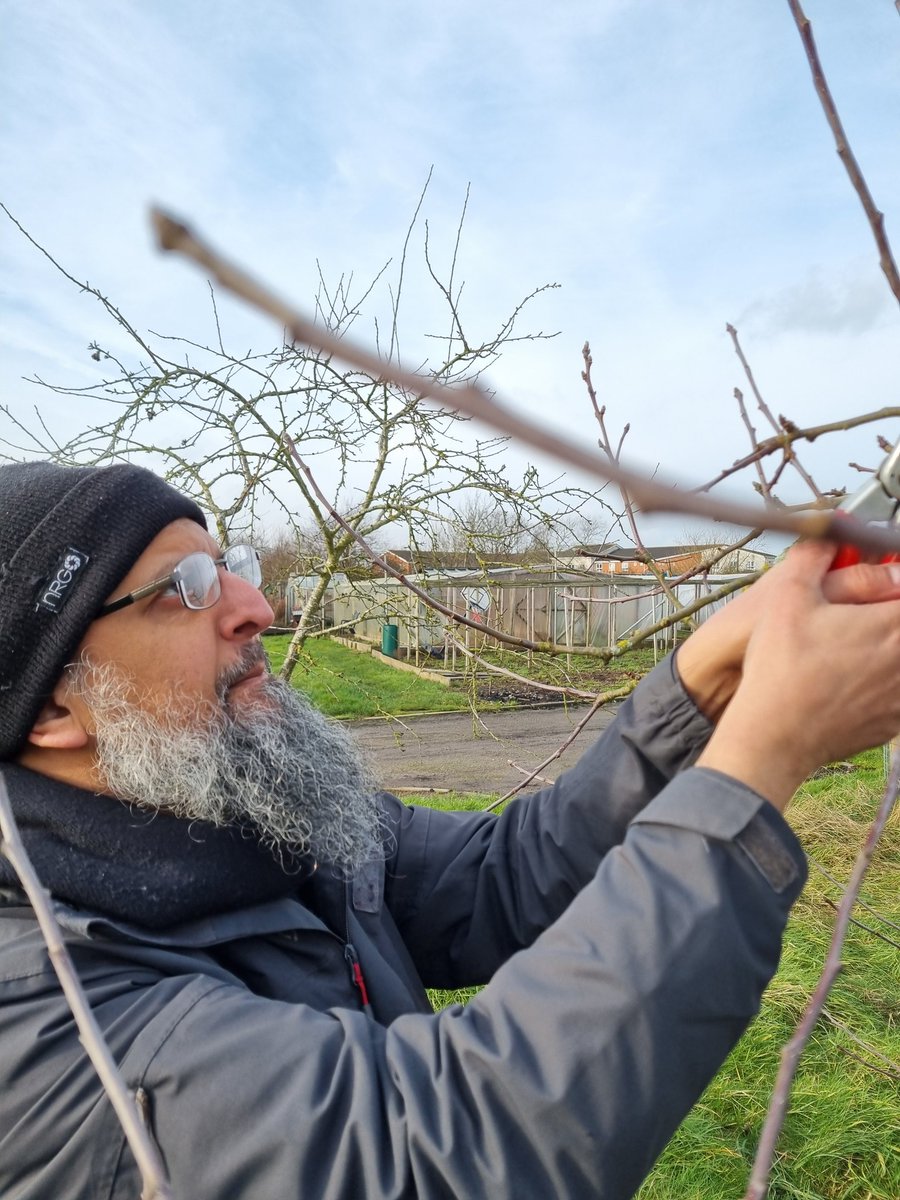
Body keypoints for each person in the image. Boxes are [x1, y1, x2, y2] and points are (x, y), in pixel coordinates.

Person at [1, 461, 900, 1200]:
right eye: (184, 590)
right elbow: (445, 1153)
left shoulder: (248, 808)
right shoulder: (48, 1019)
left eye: (225, 562)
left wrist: (702, 683)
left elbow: (503, 876)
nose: (253, 605)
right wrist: (760, 759)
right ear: (50, 707)